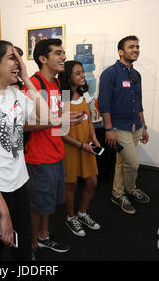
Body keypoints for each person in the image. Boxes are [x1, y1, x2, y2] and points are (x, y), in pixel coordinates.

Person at [0, 40, 51, 261]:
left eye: (19, 58)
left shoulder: (14, 94)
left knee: (21, 246)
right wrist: (3, 211)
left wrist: (26, 79)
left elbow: (48, 118)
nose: (18, 62)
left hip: (19, 181)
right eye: (12, 57)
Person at [22, 38, 85, 260]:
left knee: (48, 204)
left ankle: (44, 236)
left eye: (63, 52)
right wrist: (58, 121)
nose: (63, 57)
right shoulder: (33, 84)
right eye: (57, 53)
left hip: (56, 154)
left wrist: (68, 122)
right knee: (38, 204)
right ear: (42, 59)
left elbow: (59, 120)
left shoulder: (58, 84)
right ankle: (31, 246)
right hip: (39, 158)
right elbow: (23, 125)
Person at [98, 35, 150, 215]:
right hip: (119, 127)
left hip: (135, 125)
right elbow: (104, 104)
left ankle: (118, 193)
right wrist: (108, 129)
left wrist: (144, 126)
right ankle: (130, 188)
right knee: (133, 163)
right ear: (121, 52)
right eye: (131, 47)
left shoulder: (136, 75)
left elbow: (139, 103)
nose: (135, 50)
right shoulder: (109, 74)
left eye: (137, 47)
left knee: (122, 162)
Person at [58, 61, 101, 237]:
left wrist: (94, 138)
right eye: (78, 73)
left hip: (86, 146)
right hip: (71, 147)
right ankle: (70, 217)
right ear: (68, 77)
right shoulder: (63, 98)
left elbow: (89, 121)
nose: (83, 75)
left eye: (82, 72)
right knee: (71, 185)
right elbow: (59, 132)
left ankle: (82, 213)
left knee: (92, 182)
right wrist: (81, 145)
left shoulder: (85, 95)